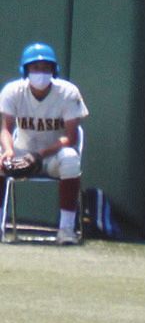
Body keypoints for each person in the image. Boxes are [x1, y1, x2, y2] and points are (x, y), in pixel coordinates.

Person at [1, 42, 88, 243]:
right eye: (35, 68)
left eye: (46, 68)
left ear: (54, 70)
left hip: (52, 158)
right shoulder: (13, 91)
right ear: (26, 70)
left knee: (70, 158)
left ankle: (66, 230)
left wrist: (40, 154)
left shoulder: (67, 92)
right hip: (22, 153)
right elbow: (5, 129)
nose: (41, 73)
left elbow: (71, 137)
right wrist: (8, 151)